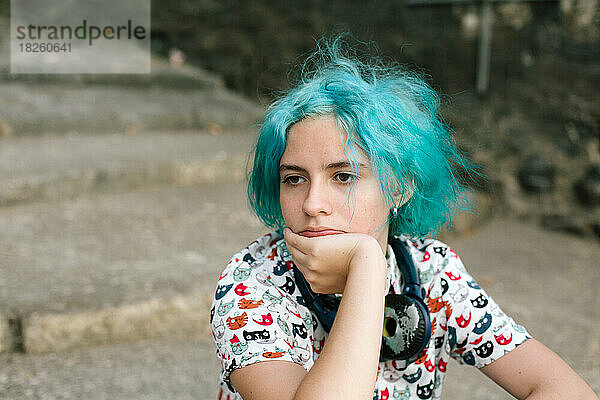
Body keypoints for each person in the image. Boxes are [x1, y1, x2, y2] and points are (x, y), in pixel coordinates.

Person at [209, 37, 598, 400]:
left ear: (400, 189)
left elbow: (561, 388)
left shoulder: (432, 270)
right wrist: (366, 266)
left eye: (343, 176)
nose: (313, 204)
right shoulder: (252, 282)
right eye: (294, 178)